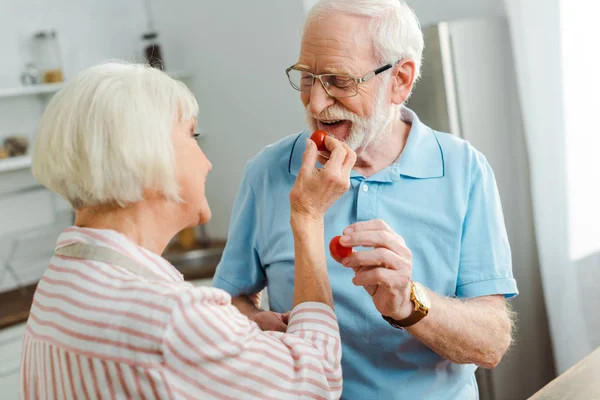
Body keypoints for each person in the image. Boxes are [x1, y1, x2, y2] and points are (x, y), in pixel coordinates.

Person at [213, 0, 518, 398]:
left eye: (339, 81)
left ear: (401, 80)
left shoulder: (464, 169)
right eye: (307, 77)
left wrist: (410, 302)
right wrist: (254, 324)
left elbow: (492, 344)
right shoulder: (267, 172)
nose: (316, 104)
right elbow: (228, 300)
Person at [20, 61, 355, 399]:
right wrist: (309, 216)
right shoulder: (173, 318)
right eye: (191, 135)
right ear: (144, 155)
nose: (206, 162)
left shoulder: (59, 286)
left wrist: (230, 340)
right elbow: (319, 381)